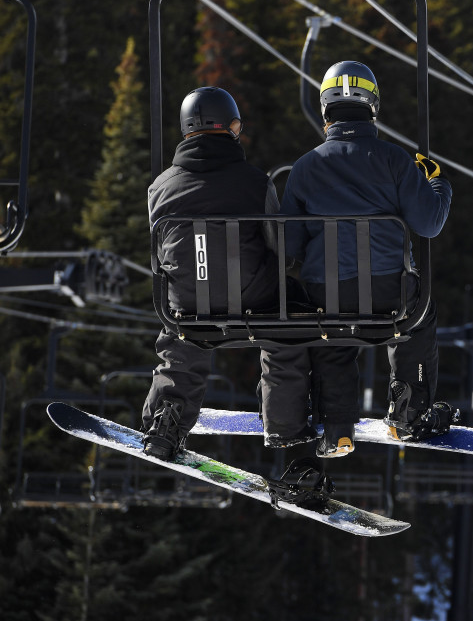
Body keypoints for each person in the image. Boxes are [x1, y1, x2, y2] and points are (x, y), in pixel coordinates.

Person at [281, 61, 456, 454]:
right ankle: (408, 411)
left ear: (325, 107)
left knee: (329, 334)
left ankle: (338, 426)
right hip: (388, 292)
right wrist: (438, 182)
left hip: (326, 292)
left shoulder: (306, 167)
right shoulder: (395, 161)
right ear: (373, 105)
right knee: (419, 319)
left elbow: (288, 246)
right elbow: (429, 224)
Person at [142, 87, 311, 459]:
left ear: (186, 132)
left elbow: (160, 256)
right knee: (291, 317)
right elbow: (275, 245)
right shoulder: (254, 182)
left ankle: (167, 419)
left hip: (188, 303)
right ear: (233, 126)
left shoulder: (160, 187)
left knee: (180, 338)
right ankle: (284, 422)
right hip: (255, 299)